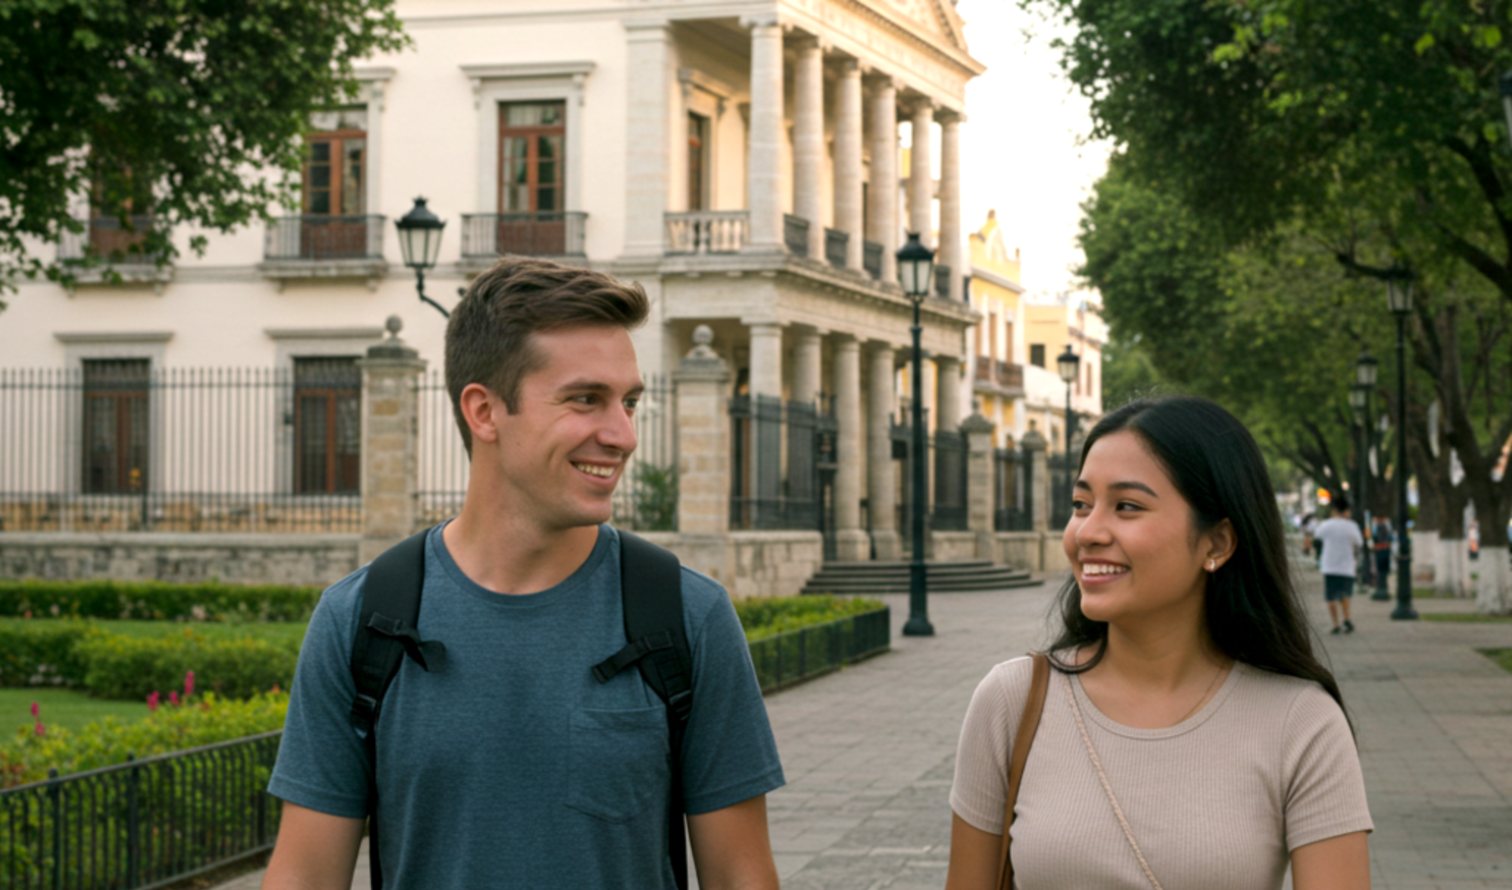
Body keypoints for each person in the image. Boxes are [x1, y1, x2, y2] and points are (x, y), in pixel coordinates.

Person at [261, 259, 785, 890]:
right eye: (587, 399)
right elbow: (304, 878)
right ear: (484, 412)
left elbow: (743, 878)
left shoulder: (686, 618)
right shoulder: (362, 621)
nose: (623, 434)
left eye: (630, 402)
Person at [944, 396, 1371, 890]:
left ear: (1217, 543)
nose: (1087, 531)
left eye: (1127, 506)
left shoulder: (1301, 723)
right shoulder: (1012, 701)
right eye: (1081, 505)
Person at [1314, 498, 1364, 634]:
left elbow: (1317, 537)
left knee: (1330, 597)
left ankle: (1335, 624)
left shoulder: (1326, 525)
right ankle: (1347, 618)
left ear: (1334, 511)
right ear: (1347, 511)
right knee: (1345, 594)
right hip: (1346, 566)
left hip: (1329, 565)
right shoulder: (1352, 526)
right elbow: (1359, 543)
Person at [1371, 515, 1393, 598]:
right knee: (1384, 571)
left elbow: (1375, 538)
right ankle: (1384, 587)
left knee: (1380, 570)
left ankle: (1381, 588)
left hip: (1379, 550)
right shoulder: (1386, 526)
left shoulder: (1378, 527)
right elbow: (1390, 538)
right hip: (1386, 549)